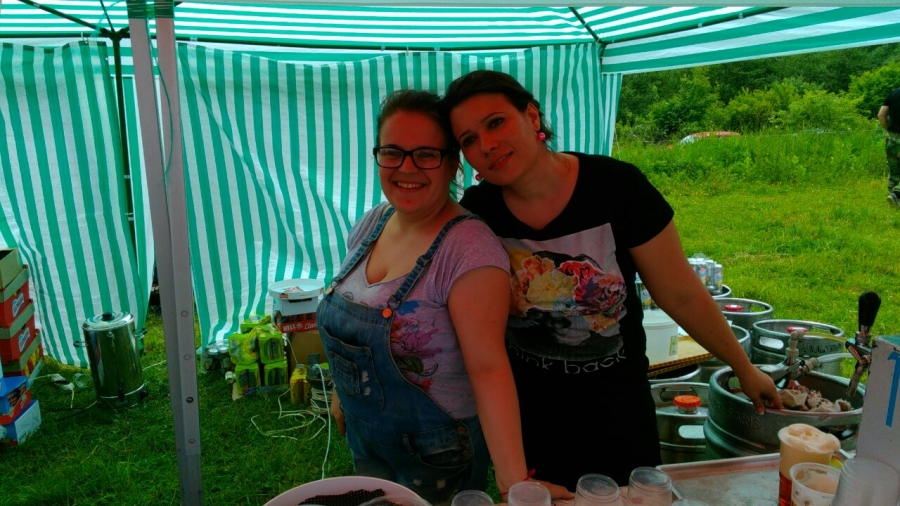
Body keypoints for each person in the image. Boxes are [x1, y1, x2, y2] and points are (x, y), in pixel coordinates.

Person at [441, 70, 784, 489]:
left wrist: (743, 367)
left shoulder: (617, 187)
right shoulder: (478, 213)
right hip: (531, 418)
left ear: (531, 116)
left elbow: (681, 294)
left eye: (496, 122)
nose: (486, 145)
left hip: (619, 412)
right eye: (468, 140)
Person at [316, 89, 570, 505]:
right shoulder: (373, 223)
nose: (407, 168)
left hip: (436, 457)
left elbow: (489, 370)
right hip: (367, 438)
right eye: (393, 152)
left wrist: (513, 483)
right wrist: (341, 396)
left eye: (426, 154)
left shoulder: (469, 249)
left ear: (452, 162)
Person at [877, 86, 900, 207]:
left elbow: (881, 115)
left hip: (892, 140)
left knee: (894, 172)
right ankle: (897, 194)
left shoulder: (894, 93)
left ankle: (893, 199)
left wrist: (890, 132)